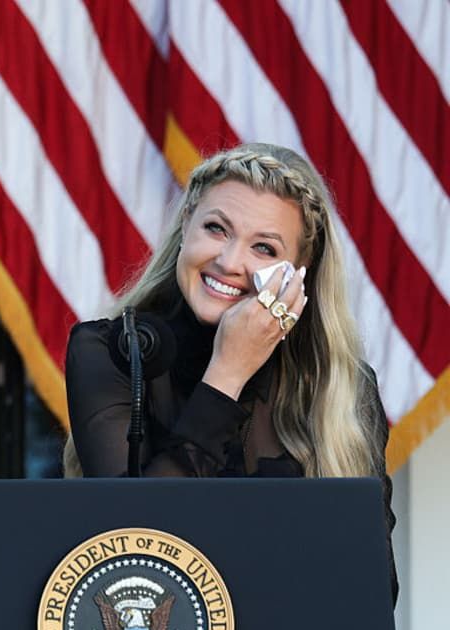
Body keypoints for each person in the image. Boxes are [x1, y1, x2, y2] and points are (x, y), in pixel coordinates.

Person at [63, 143, 396, 597]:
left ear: (299, 273)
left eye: (264, 247)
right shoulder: (112, 352)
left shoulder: (343, 386)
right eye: (216, 229)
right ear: (185, 227)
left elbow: (371, 590)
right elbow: (137, 550)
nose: (230, 261)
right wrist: (227, 372)